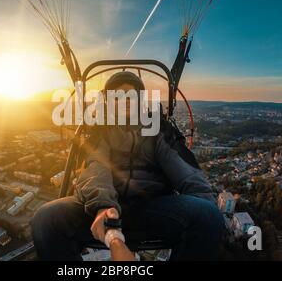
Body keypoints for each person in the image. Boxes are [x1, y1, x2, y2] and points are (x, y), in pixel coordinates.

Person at [31, 71, 224, 261]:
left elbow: (185, 171)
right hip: (100, 209)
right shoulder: (99, 131)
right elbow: (95, 168)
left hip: (151, 206)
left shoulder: (158, 130)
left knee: (207, 215)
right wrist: (103, 206)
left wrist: (206, 211)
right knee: (46, 218)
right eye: (117, 97)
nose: (124, 102)